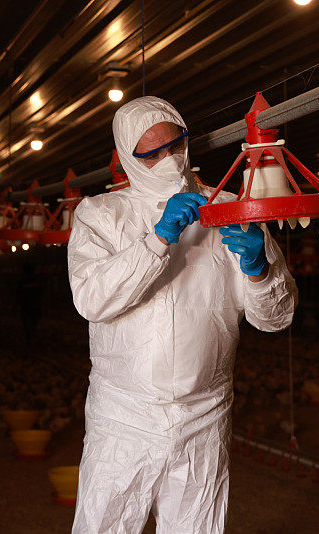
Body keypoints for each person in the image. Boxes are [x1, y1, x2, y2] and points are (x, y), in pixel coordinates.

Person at [68, 96, 297, 533]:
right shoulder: (101, 215)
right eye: (150, 155)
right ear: (127, 160)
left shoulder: (233, 208)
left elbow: (276, 318)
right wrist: (156, 240)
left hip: (204, 415)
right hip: (123, 416)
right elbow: (92, 299)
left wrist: (259, 271)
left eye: (175, 146)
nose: (168, 161)